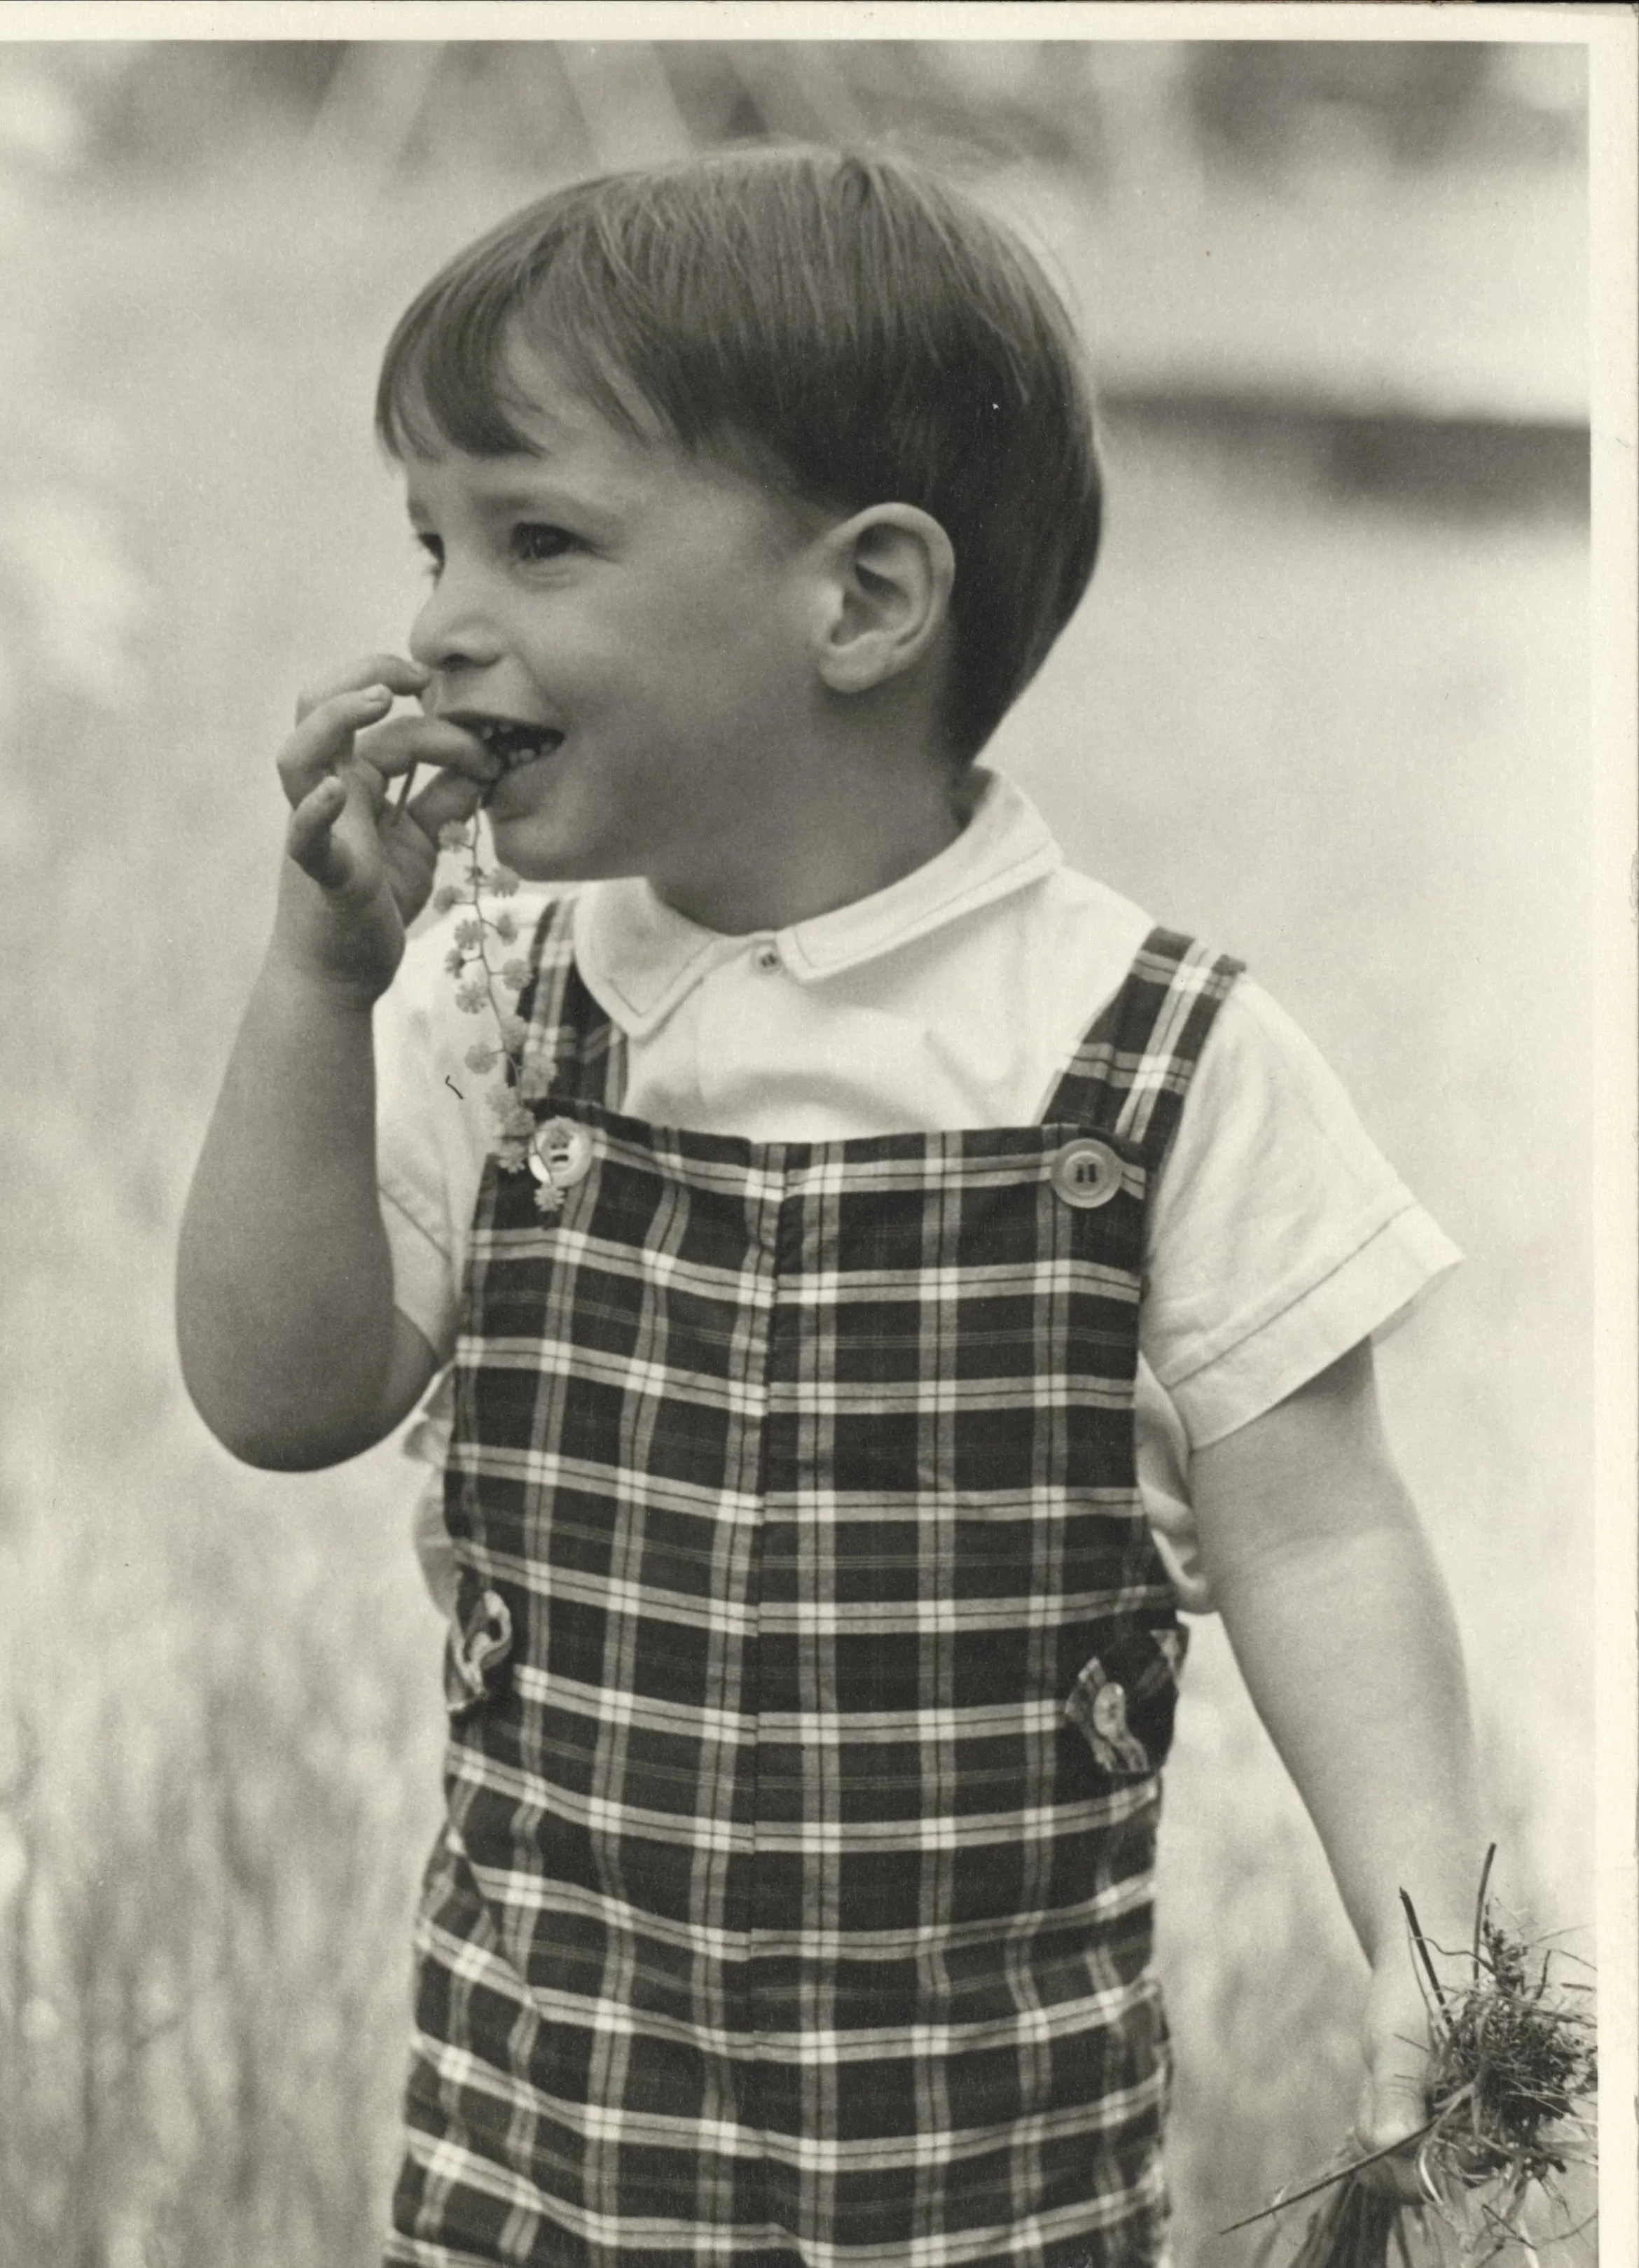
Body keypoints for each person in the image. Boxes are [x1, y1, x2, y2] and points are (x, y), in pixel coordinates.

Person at [177, 148, 1484, 2268]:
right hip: (545, 2144)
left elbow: (1321, 1525)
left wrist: (1429, 1933)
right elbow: (276, 1390)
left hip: (980, 2176)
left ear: (863, 600)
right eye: (429, 538)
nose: (434, 620)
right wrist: (321, 983)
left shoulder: (1153, 1057)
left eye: (537, 536)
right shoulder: (495, 1007)